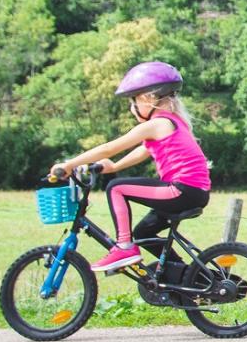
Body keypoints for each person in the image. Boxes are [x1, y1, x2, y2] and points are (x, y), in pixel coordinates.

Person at [48, 61, 212, 273]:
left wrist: (69, 164)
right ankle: (187, 277)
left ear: (148, 97)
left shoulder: (157, 123)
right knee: (144, 232)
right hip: (193, 192)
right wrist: (115, 165)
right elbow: (144, 151)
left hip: (181, 190)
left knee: (116, 188)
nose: (132, 107)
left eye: (133, 101)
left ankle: (124, 247)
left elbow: (108, 148)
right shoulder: (172, 122)